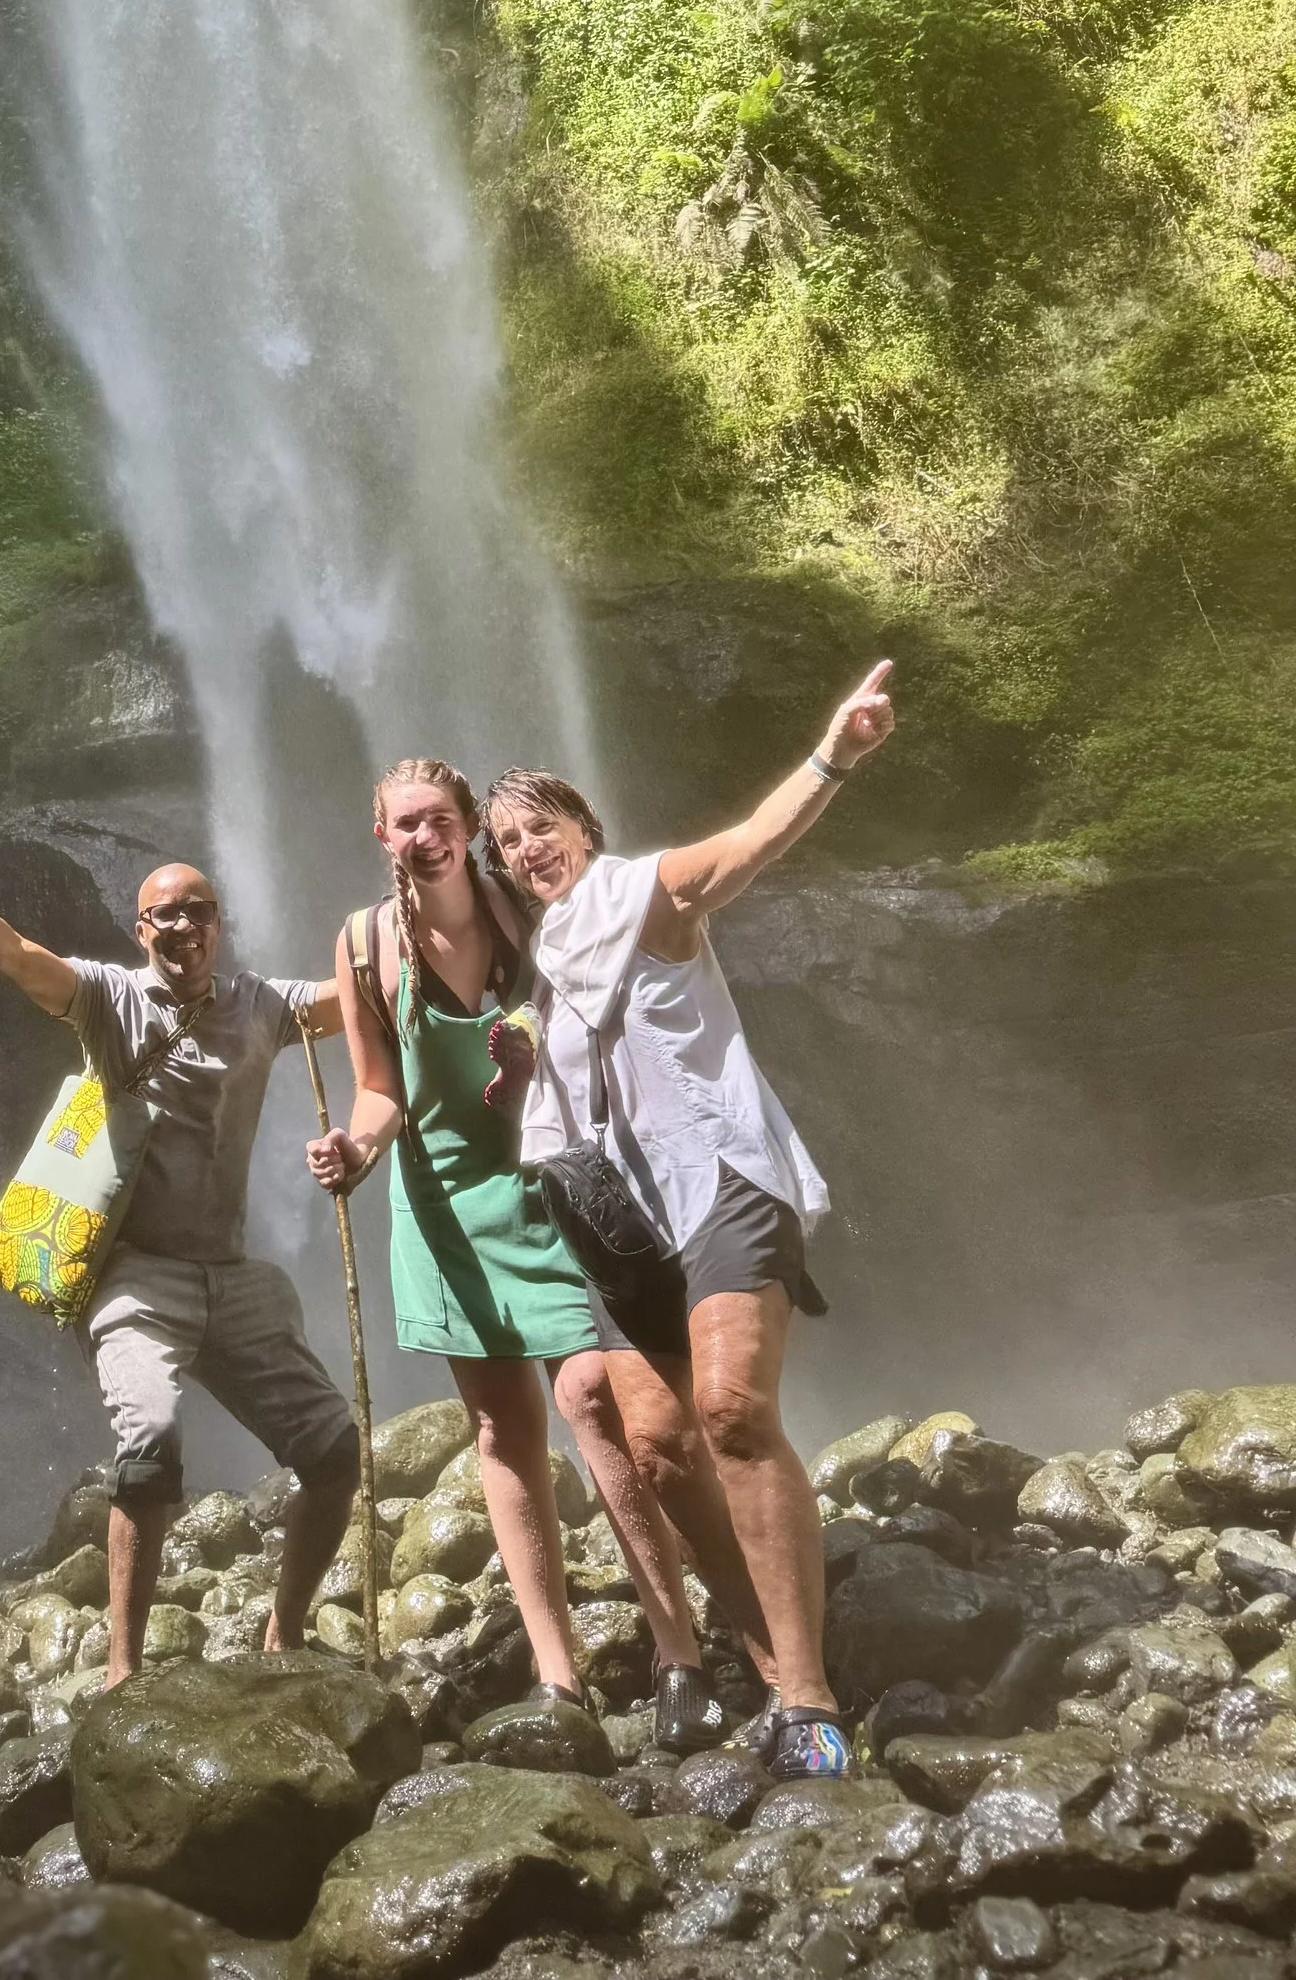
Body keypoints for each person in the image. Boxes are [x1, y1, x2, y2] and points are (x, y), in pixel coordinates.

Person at [484, 658, 898, 1781]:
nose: (527, 848)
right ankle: (769, 1655)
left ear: (584, 824)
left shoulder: (647, 890)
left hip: (719, 1174)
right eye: (508, 843)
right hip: (624, 1219)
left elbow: (755, 841)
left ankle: (808, 1695)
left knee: (727, 1409)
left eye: (541, 823)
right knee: (660, 1449)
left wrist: (836, 751)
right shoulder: (540, 972)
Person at [0, 827, 362, 1683]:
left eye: (198, 910)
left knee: (337, 1454)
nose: (182, 926)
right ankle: (124, 1671)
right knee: (150, 1445)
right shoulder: (107, 998)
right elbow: (10, 950)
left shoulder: (264, 1005)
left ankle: (286, 1629)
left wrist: (425, 911)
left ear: (220, 923)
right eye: (163, 914)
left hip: (233, 1278)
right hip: (138, 1276)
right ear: (141, 930)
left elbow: (359, 998)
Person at [304, 756, 735, 1748]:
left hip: (559, 1192)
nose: (423, 837)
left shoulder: (517, 911)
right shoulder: (365, 945)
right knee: (501, 1434)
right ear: (381, 836)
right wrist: (354, 1149)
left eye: (440, 819)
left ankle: (678, 1651)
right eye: (402, 823)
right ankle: (557, 1673)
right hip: (447, 1210)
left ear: (466, 827)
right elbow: (379, 1087)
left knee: (592, 1396)